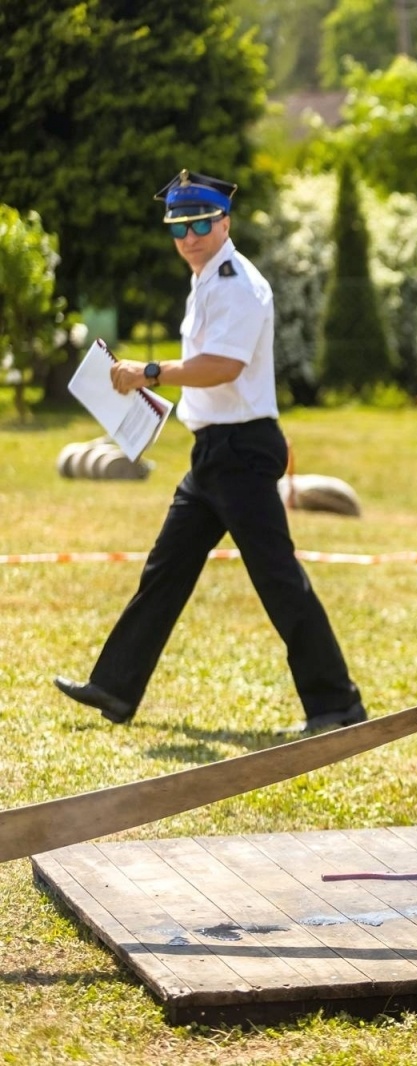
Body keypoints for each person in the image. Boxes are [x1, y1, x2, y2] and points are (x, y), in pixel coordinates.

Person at [54, 170, 366, 735]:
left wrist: (149, 372)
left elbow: (224, 366)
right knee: (164, 571)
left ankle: (337, 704)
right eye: (179, 226)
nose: (189, 236)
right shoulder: (207, 280)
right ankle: (115, 688)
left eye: (200, 222)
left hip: (242, 451)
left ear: (224, 221)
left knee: (276, 579)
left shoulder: (237, 283)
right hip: (214, 453)